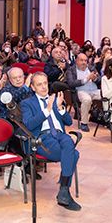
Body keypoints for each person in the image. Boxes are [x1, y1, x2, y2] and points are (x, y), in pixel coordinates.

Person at [20, 72, 81, 211]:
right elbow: (28, 125)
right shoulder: (27, 103)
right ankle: (64, 191)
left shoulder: (55, 100)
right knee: (74, 155)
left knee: (68, 142)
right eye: (39, 84)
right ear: (33, 87)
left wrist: (60, 108)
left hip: (60, 135)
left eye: (45, 83)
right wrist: (47, 110)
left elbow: (69, 121)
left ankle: (63, 192)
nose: (43, 87)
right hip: (42, 139)